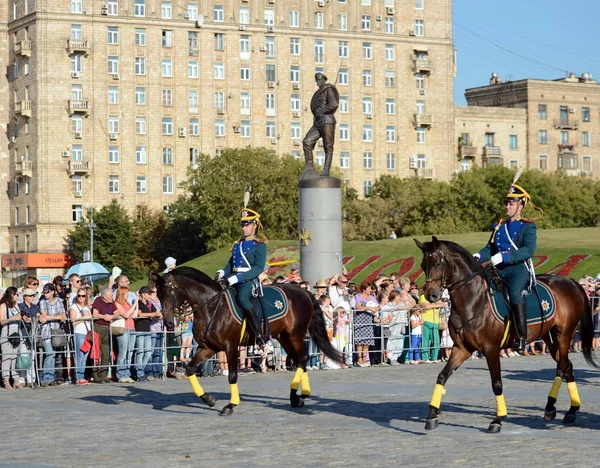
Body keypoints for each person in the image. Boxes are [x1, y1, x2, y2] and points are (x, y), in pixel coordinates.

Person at [474, 180, 538, 352]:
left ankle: (522, 336)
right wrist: (479, 255)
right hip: (498, 269)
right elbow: (490, 248)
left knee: (515, 293)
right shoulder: (500, 227)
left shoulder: (528, 226)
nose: (507, 207)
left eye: (511, 203)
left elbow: (529, 250)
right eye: (507, 204)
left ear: (520, 206)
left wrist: (505, 256)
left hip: (518, 270)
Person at [216, 206, 269, 348]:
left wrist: (238, 278)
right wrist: (223, 272)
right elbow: (230, 264)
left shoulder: (260, 245)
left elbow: (258, 267)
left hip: (248, 281)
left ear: (255, 226)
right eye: (243, 225)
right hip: (232, 277)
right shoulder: (238, 244)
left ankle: (258, 334)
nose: (244, 228)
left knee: (242, 298)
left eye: (247, 225)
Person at [302, 72, 339, 177]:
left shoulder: (329, 89)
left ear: (324, 79)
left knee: (328, 147)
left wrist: (322, 110)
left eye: (320, 79)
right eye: (317, 79)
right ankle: (309, 167)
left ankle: (326, 170)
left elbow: (333, 104)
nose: (318, 81)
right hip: (318, 122)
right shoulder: (317, 93)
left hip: (327, 121)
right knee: (307, 142)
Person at [38, 284, 67, 386]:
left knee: (54, 355)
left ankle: (51, 378)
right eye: (44, 292)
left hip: (56, 331)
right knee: (49, 354)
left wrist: (49, 317)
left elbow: (63, 316)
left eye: (47, 292)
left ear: (52, 292)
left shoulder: (58, 301)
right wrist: (57, 317)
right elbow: (44, 315)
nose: (45, 294)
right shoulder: (42, 302)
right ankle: (46, 378)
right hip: (46, 331)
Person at [91, 288, 120, 383]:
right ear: (104, 296)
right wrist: (104, 317)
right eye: (111, 296)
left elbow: (117, 313)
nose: (112, 297)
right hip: (97, 327)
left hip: (107, 328)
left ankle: (103, 375)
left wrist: (111, 317)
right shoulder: (98, 300)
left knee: (106, 353)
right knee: (96, 352)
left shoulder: (112, 302)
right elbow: (95, 314)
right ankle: (96, 376)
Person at [135, 286, 161, 382]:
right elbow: (139, 314)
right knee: (140, 351)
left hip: (147, 329)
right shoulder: (138, 303)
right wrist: (152, 314)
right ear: (143, 294)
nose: (150, 295)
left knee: (148, 352)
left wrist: (153, 314)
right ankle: (139, 373)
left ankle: (141, 369)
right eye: (148, 294)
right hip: (139, 329)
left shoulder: (149, 304)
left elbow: (157, 313)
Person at [1, 287, 24, 389]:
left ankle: (16, 379)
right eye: (16, 294)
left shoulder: (16, 306)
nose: (17, 296)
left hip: (16, 332)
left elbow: (19, 317)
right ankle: (5, 379)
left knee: (14, 357)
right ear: (11, 295)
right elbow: (1, 321)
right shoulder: (3, 306)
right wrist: (13, 318)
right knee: (7, 357)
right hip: (7, 332)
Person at [69, 286, 93, 386]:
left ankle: (82, 376)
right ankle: (78, 377)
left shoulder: (87, 307)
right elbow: (73, 322)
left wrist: (88, 317)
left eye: (83, 296)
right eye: (79, 296)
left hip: (87, 333)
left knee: (85, 356)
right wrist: (84, 317)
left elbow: (90, 319)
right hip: (79, 332)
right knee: (80, 355)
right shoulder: (74, 307)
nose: (81, 298)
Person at [114, 286, 137, 383]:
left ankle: (127, 373)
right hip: (123, 329)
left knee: (130, 353)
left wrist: (136, 305)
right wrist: (135, 304)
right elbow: (126, 315)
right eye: (126, 293)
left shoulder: (128, 303)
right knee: (123, 353)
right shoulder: (117, 304)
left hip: (132, 328)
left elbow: (134, 316)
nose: (128, 295)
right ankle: (120, 374)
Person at [354, 281, 379, 367]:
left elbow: (378, 305)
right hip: (360, 320)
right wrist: (368, 307)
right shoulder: (358, 297)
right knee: (360, 340)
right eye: (368, 289)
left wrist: (376, 309)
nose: (370, 290)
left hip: (369, 320)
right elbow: (358, 307)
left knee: (367, 341)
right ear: (364, 289)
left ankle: (365, 358)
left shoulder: (371, 297)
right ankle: (359, 358)